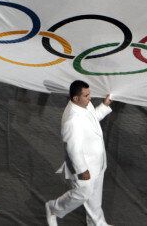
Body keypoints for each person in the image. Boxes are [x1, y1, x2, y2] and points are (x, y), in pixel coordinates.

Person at [45, 80, 113, 226]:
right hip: (84, 167)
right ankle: (53, 208)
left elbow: (93, 119)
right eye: (87, 95)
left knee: (94, 196)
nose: (90, 98)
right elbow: (73, 149)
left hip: (98, 162)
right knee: (82, 193)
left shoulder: (85, 104)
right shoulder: (71, 120)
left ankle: (97, 223)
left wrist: (104, 106)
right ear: (76, 98)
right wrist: (82, 170)